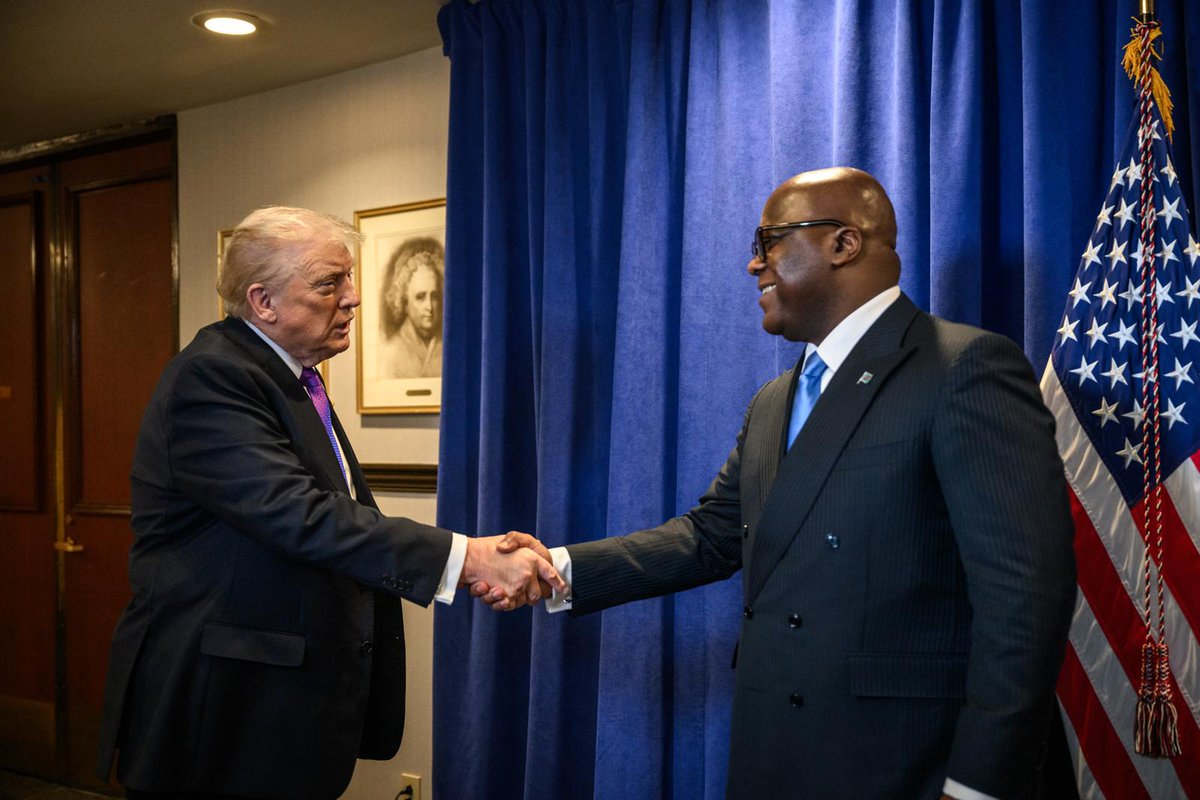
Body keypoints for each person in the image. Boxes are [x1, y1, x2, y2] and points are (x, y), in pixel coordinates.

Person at [483, 168, 1077, 799]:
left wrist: (982, 784)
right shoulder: (775, 400)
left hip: (905, 763)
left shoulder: (963, 367)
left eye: (767, 241)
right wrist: (559, 568)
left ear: (843, 244)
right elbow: (710, 537)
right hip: (776, 751)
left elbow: (1025, 597)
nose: (752, 264)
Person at [96, 206, 562, 799]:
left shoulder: (290, 376)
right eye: (329, 283)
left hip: (273, 714)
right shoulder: (213, 377)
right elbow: (303, 517)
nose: (354, 297)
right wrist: (467, 558)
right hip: (223, 716)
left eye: (348, 278)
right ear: (263, 301)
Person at [380, 237, 443, 379]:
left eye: (434, 296)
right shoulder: (392, 351)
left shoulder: (449, 346)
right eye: (420, 297)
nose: (429, 307)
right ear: (405, 302)